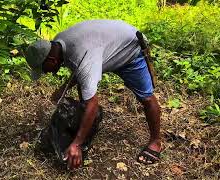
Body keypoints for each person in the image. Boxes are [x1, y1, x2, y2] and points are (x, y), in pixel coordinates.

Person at [25, 20, 162, 169]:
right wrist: (62, 89)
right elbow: (79, 69)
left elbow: (93, 104)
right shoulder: (58, 43)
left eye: (44, 69)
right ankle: (82, 129)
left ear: (52, 59)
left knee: (146, 98)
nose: (46, 73)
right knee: (85, 92)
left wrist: (76, 144)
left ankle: (156, 141)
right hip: (106, 48)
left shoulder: (83, 56)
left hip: (130, 49)